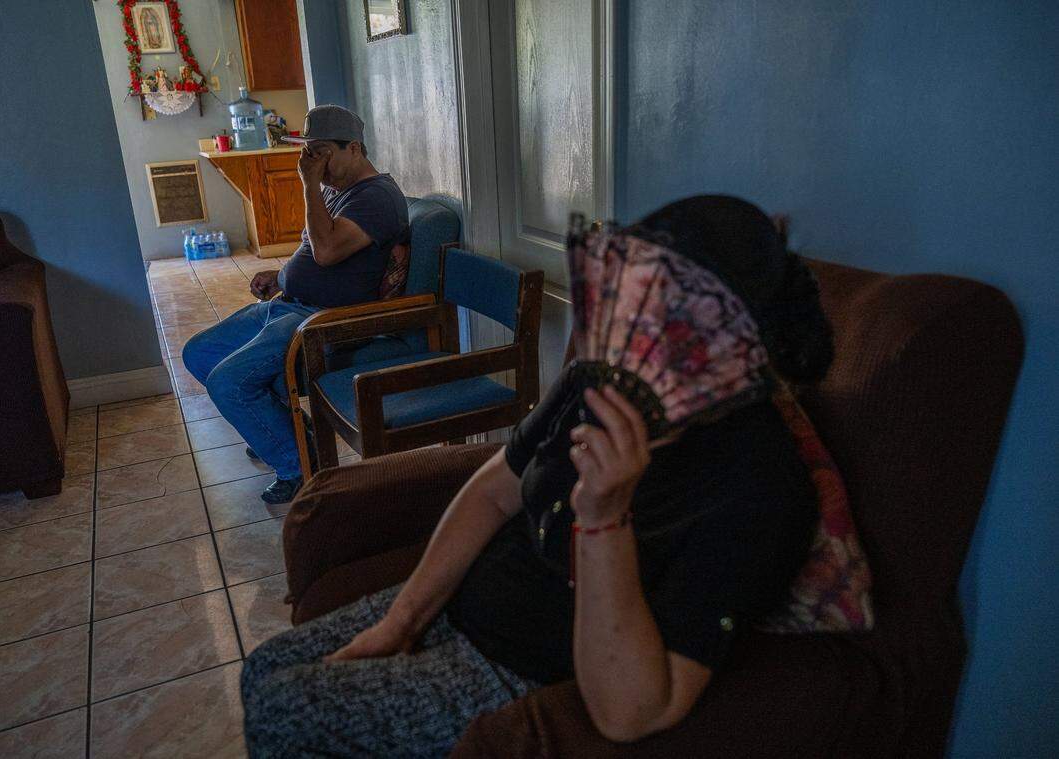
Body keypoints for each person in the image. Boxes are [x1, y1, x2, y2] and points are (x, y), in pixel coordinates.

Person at [239, 196, 834, 756]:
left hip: (518, 665)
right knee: (261, 669)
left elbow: (633, 711)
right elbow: (495, 490)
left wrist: (604, 521)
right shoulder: (599, 383)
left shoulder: (760, 488)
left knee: (281, 709)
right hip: (464, 600)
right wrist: (403, 620)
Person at [182, 105, 408, 504]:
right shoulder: (336, 191)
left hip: (321, 319)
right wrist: (283, 274)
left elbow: (325, 252)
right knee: (198, 353)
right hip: (289, 303)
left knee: (229, 382)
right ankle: (288, 434)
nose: (310, 162)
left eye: (319, 152)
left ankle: (299, 466)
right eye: (307, 152)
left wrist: (307, 185)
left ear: (353, 148)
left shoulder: (377, 197)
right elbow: (310, 251)